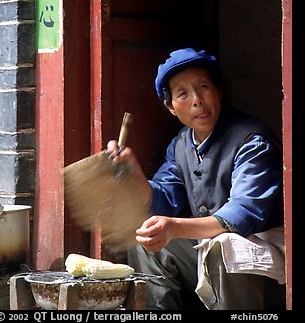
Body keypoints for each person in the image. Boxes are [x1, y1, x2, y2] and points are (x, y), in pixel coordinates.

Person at [107, 48, 286, 310]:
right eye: (183, 93)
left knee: (224, 246)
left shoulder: (252, 141)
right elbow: (164, 199)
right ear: (170, 107)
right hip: (211, 251)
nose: (197, 100)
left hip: (260, 258)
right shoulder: (181, 144)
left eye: (203, 87)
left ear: (219, 91)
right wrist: (133, 172)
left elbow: (242, 215)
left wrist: (176, 228)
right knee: (147, 239)